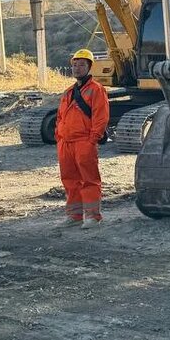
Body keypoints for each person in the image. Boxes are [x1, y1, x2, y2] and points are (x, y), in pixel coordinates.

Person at [55, 48, 110, 229]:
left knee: (89, 179)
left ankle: (93, 217)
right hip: (66, 143)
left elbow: (100, 117)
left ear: (89, 67)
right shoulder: (68, 92)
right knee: (69, 179)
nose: (77, 68)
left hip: (83, 142)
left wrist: (92, 139)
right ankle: (75, 215)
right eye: (75, 65)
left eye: (81, 65)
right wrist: (59, 137)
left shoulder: (96, 90)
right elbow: (60, 117)